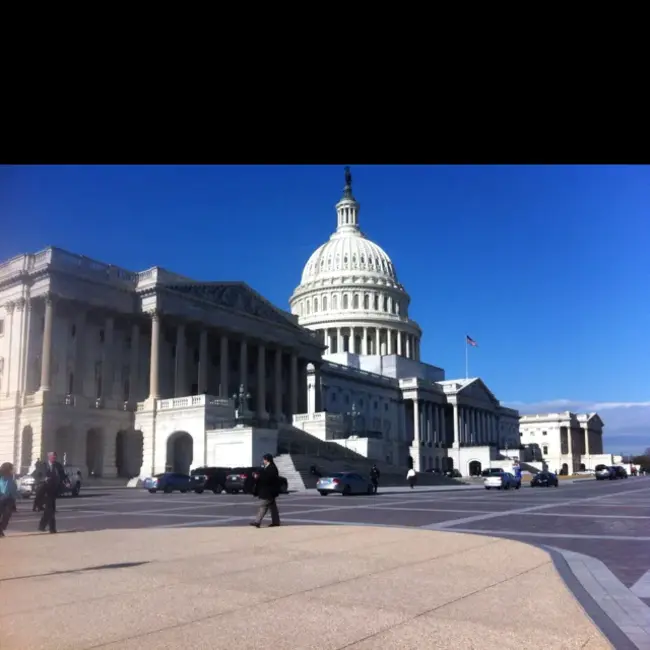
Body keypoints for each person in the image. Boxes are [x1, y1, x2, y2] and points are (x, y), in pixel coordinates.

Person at [38, 452, 67, 534]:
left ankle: (42, 526)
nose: (54, 458)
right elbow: (36, 475)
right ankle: (52, 529)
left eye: (55, 457)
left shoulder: (58, 465)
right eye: (52, 457)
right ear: (48, 457)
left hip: (54, 490)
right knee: (51, 509)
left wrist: (66, 482)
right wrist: (43, 478)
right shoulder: (43, 465)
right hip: (44, 489)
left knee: (49, 509)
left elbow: (63, 475)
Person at [250, 453, 281, 528]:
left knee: (263, 505)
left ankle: (257, 522)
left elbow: (268, 479)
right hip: (269, 491)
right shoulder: (268, 467)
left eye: (264, 459)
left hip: (268, 491)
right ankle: (276, 522)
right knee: (273, 507)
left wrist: (258, 476)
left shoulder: (272, 468)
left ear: (267, 460)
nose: (263, 461)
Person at [0, 462, 18, 537]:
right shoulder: (1, 476)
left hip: (9, 499)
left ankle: (1, 528)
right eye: (12, 469)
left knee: (7, 515)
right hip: (1, 498)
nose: (13, 470)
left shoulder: (12, 477)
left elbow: (14, 487)